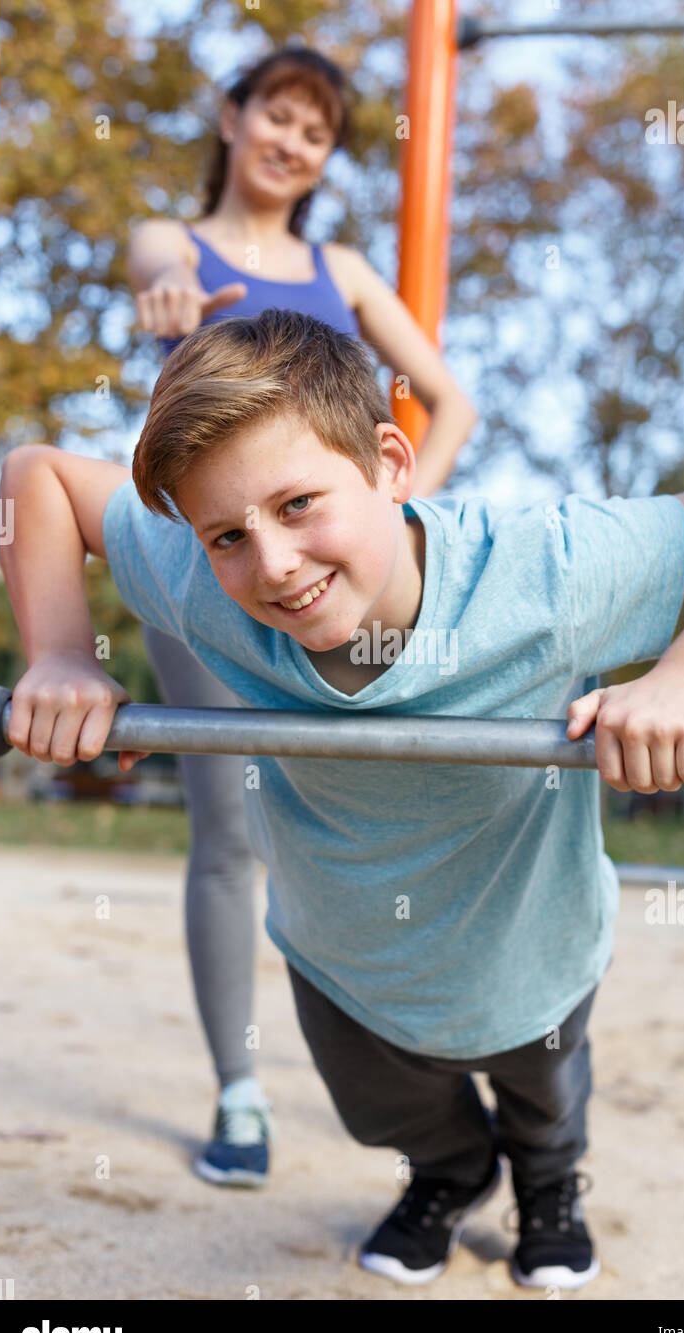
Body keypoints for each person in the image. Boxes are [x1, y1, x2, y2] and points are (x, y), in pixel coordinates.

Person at [0, 309, 684, 1290]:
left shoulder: (543, 570)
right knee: (382, 1106)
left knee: (542, 1092)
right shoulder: (206, 582)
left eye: (297, 505)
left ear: (388, 463)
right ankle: (449, 1172)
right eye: (227, 535)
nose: (272, 563)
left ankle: (548, 1183)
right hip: (342, 948)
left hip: (524, 940)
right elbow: (40, 475)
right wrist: (65, 656)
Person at [125, 47, 477, 1189]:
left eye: (315, 132)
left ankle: (429, 1068)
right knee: (234, 832)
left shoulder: (344, 265)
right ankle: (239, 1090)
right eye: (275, 115)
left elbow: (451, 398)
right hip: (215, 576)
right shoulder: (174, 245)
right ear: (230, 118)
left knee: (387, 809)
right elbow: (152, 278)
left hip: (342, 580)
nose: (291, 141)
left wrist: (398, 505)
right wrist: (168, 308)